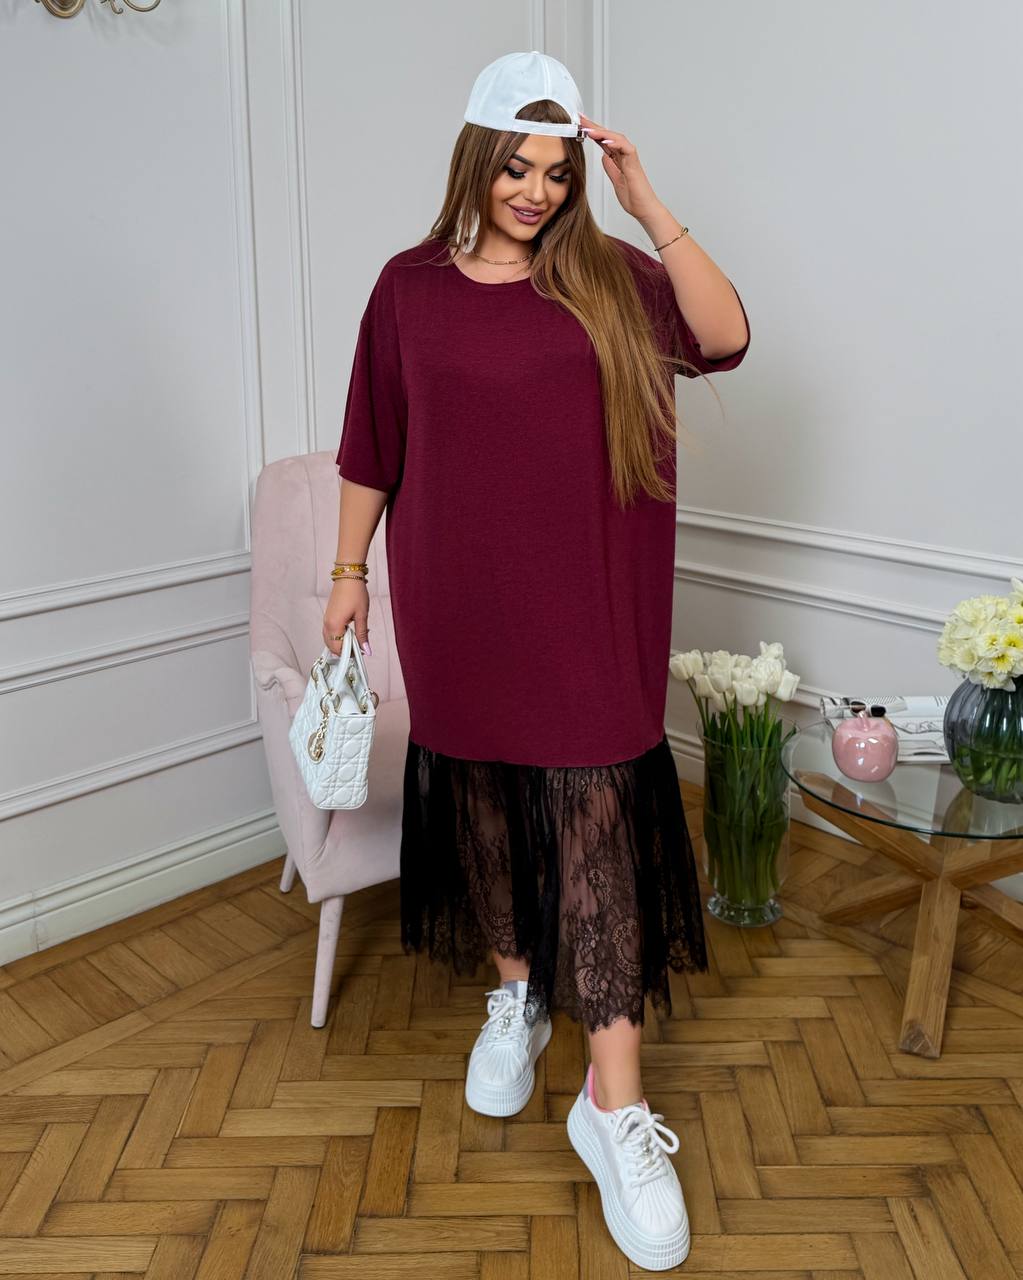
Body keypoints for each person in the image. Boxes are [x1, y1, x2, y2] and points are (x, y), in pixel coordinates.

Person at [323, 50, 749, 1274]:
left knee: (599, 822)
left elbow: (726, 335)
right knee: (487, 805)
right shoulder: (407, 288)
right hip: (458, 604)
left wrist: (645, 201)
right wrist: (347, 575)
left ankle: (613, 1102)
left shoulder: (612, 276)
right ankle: (516, 992)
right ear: (475, 158)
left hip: (594, 608)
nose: (535, 191)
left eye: (558, 173)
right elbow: (371, 446)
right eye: (516, 166)